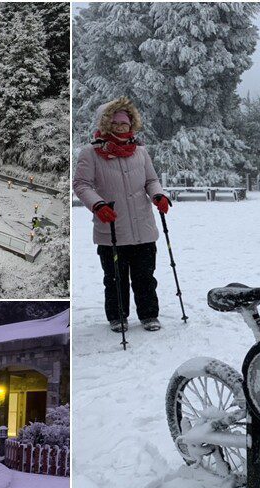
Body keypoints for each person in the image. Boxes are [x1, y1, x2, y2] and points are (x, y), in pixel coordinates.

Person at [73, 97, 170, 333]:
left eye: (124, 124)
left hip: (143, 228)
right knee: (115, 278)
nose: (120, 127)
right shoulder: (91, 153)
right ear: (106, 125)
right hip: (112, 229)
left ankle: (148, 315)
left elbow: (151, 180)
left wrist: (158, 195)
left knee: (145, 276)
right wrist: (98, 205)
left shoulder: (140, 152)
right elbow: (81, 184)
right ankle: (117, 317)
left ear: (131, 125)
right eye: (115, 123)